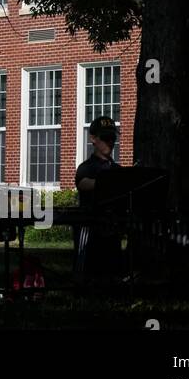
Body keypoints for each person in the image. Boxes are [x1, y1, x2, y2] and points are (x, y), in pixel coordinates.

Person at [74, 116, 123, 278]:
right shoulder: (86, 167)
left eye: (113, 138)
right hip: (91, 230)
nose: (110, 142)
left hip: (112, 229)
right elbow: (83, 183)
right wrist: (111, 182)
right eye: (105, 138)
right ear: (93, 139)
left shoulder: (117, 169)